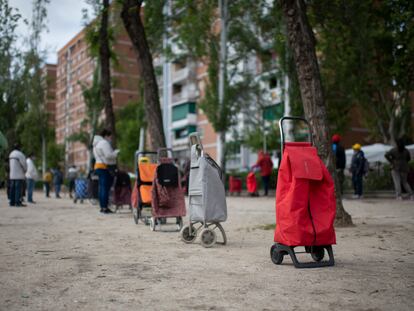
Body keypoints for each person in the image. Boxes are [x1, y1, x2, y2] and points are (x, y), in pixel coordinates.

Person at [93, 129, 119, 214]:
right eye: (110, 136)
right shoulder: (104, 143)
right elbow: (108, 155)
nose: (111, 138)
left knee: (102, 188)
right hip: (104, 167)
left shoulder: (96, 144)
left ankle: (102, 207)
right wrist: (115, 153)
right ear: (106, 136)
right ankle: (105, 208)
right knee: (105, 188)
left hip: (98, 166)